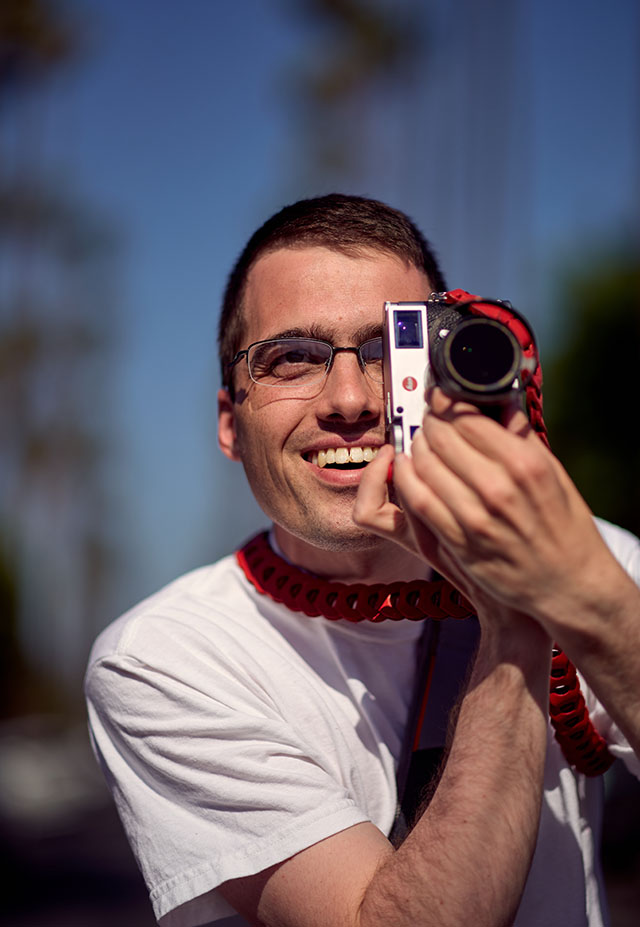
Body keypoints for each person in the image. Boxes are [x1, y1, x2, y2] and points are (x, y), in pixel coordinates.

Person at [85, 194, 640, 927]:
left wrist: (581, 593)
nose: (349, 399)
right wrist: (511, 618)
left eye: (388, 349)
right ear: (230, 423)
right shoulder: (164, 656)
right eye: (291, 358)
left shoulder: (586, 563)